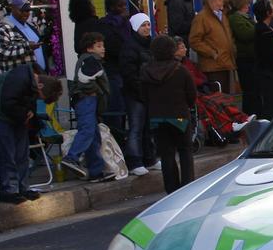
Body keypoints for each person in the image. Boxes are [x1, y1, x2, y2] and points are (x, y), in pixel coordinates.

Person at [0, 64, 63, 203]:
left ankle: (23, 188)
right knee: (7, 153)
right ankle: (8, 191)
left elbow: (29, 101)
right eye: (40, 97)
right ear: (40, 86)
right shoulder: (18, 80)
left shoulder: (34, 83)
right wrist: (24, 114)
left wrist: (30, 112)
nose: (38, 99)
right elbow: (7, 103)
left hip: (16, 114)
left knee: (22, 153)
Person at [139, 35, 197, 194]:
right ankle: (187, 188)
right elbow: (191, 94)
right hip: (179, 116)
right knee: (185, 151)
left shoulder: (146, 71)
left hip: (156, 117)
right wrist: (188, 106)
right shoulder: (181, 70)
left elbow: (143, 96)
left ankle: (171, 190)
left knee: (166, 154)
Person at [61, 32, 113, 181]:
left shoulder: (89, 60)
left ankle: (96, 170)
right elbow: (84, 80)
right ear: (89, 48)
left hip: (87, 101)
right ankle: (72, 157)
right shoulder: (91, 60)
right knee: (87, 130)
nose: (103, 49)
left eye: (103, 45)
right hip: (87, 100)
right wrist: (98, 92)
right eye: (99, 46)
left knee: (94, 136)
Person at [121, 12, 157, 176]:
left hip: (149, 92)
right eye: (143, 25)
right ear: (135, 27)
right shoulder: (129, 47)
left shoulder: (151, 44)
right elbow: (129, 73)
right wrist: (140, 90)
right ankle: (134, 161)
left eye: (148, 24)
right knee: (136, 127)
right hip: (135, 94)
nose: (147, 28)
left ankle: (149, 158)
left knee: (148, 128)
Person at [189, 0, 235, 93]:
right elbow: (194, 41)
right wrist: (212, 53)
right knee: (217, 100)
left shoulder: (222, 16)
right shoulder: (201, 18)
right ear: (212, 0)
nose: (223, 1)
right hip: (212, 67)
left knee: (227, 100)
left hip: (226, 63)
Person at [0, 0, 43, 72]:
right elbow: (1, 53)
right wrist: (27, 47)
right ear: (13, 8)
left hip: (37, 78)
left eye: (27, 10)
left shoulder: (31, 25)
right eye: (22, 10)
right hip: (18, 81)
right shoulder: (2, 29)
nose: (25, 13)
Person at [227, 0, 259, 116]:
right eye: (246, 3)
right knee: (249, 90)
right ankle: (248, 114)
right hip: (245, 58)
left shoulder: (245, 17)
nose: (248, 6)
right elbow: (245, 34)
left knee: (253, 89)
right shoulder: (235, 18)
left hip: (251, 57)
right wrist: (259, 27)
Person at [253, 0, 273, 119]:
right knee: (272, 105)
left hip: (271, 73)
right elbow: (269, 53)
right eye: (271, 7)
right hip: (269, 74)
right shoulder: (264, 31)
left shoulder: (266, 28)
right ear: (267, 12)